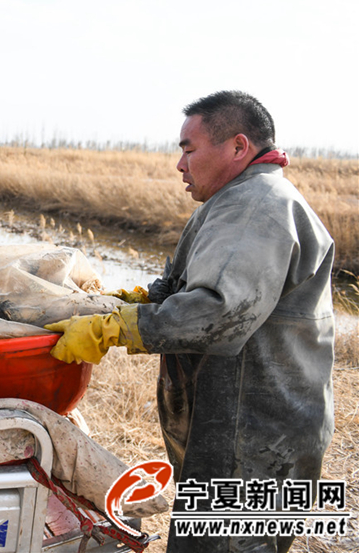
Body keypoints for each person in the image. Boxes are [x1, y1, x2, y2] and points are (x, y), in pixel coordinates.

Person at [47, 91, 335, 553]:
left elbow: (220, 311)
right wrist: (138, 299)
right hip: (244, 431)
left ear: (238, 147)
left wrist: (123, 326)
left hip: (254, 436)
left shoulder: (257, 206)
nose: (180, 165)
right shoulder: (235, 200)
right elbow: (193, 285)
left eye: (188, 149)